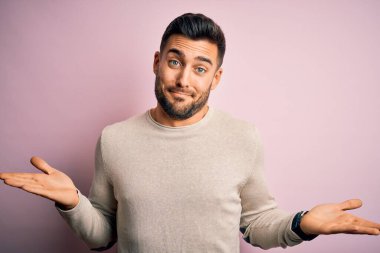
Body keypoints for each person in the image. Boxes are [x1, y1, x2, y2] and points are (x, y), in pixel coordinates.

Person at [0, 13, 379, 253]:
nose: (183, 80)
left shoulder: (243, 137)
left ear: (216, 77)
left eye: (200, 68)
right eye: (175, 61)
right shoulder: (114, 139)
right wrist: (73, 203)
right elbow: (103, 237)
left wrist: (300, 225)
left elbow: (256, 225)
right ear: (157, 62)